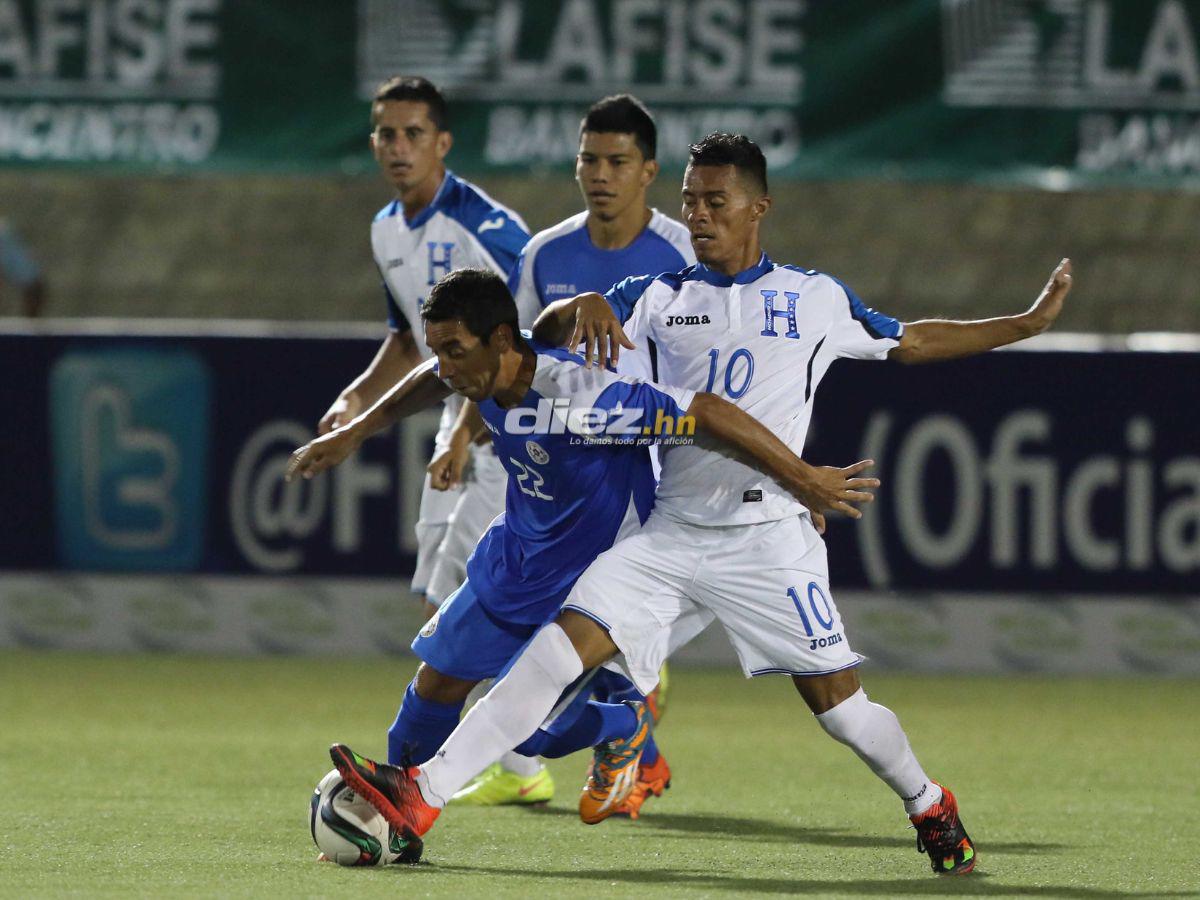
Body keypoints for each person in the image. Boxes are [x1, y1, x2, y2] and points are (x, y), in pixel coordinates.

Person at [329, 134, 1074, 878]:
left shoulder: (814, 298)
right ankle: (420, 794)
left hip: (768, 537)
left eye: (716, 202)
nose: (701, 215)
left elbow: (909, 340)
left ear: (759, 207)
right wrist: (578, 304)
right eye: (691, 202)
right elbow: (534, 341)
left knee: (842, 710)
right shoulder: (656, 298)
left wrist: (1024, 325)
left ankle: (927, 802)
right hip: (673, 533)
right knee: (555, 652)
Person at [291, 265, 877, 824]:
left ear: (499, 340)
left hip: (589, 578)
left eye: (454, 351)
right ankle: (394, 824)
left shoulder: (588, 396)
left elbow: (705, 414)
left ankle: (620, 726)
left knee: (527, 733)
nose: (444, 368)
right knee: (426, 699)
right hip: (518, 557)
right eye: (437, 350)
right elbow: (429, 380)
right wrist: (352, 433)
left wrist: (797, 480)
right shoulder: (481, 367)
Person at [433, 93, 695, 814]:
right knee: (511, 610)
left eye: (617, 161)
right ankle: (588, 740)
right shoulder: (547, 251)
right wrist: (460, 433)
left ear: (648, 171)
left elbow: (700, 373)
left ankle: (592, 732)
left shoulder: (680, 253)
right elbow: (503, 350)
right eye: (589, 158)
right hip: (547, 464)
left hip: (638, 467)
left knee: (578, 632)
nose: (600, 174)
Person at [0, 218, 46, 317]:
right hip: (32, 280)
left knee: (31, 317)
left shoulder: (4, 234)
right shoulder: (5, 232)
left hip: (32, 282)